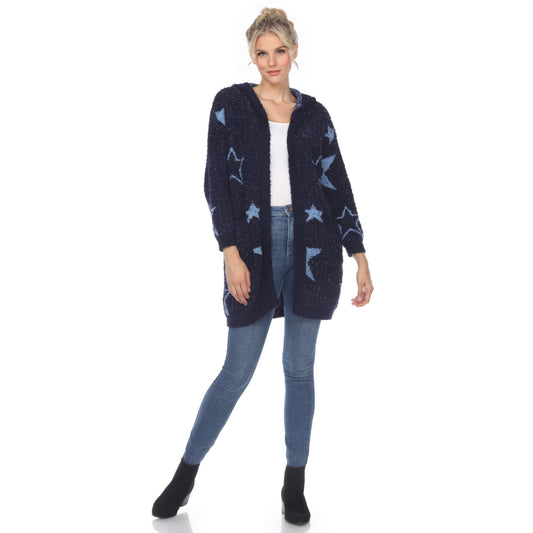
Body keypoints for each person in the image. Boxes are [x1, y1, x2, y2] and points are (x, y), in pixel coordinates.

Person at [152, 7, 373, 526]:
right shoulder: (230, 104)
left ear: (294, 52)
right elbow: (215, 181)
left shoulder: (315, 114)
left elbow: (337, 183)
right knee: (236, 371)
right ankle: (185, 475)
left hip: (314, 243)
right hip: (254, 243)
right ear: (251, 56)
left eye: (280, 51)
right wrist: (229, 251)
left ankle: (294, 482)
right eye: (261, 52)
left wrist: (359, 253)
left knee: (299, 370)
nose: (271, 61)